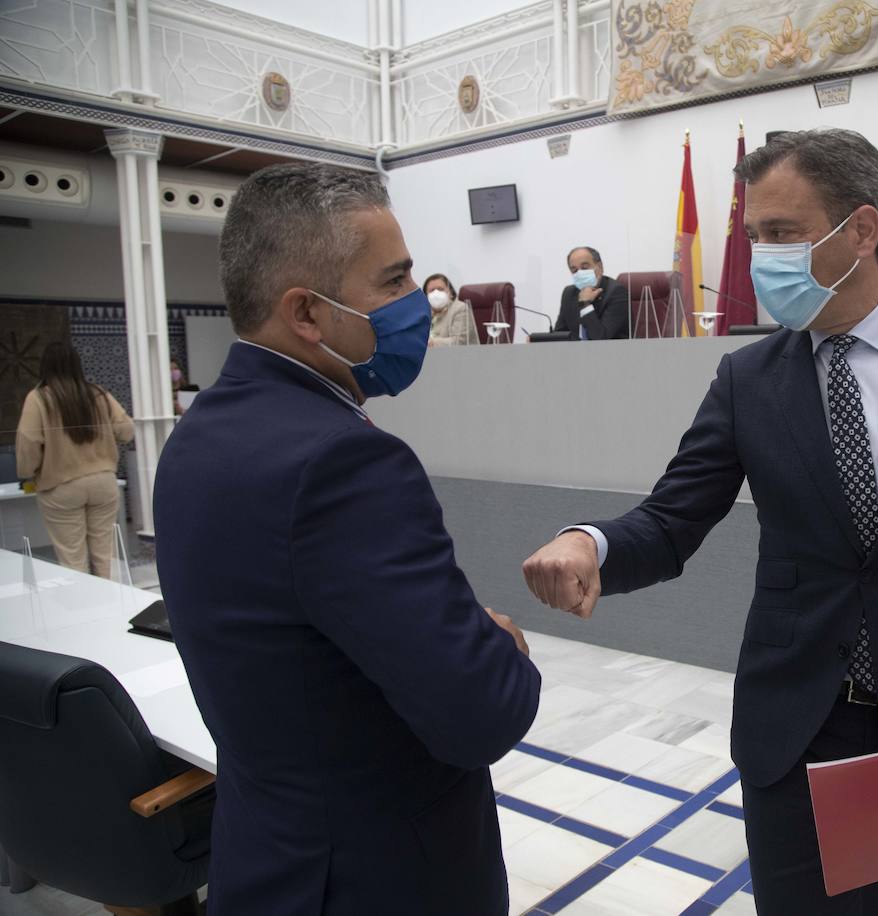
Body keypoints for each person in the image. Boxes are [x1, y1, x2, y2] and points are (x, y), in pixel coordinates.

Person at [523, 129, 878, 915]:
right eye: (754, 238)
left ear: (862, 231)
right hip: (790, 723)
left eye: (781, 233)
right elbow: (673, 520)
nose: (760, 259)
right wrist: (592, 543)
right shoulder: (748, 379)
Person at [153, 163, 540, 916]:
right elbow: (481, 711)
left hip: (268, 861)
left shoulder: (199, 434)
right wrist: (501, 644)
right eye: (393, 283)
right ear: (307, 312)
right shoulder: (344, 461)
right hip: (378, 877)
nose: (417, 303)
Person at [15, 342, 134, 579]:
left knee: (72, 558)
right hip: (103, 482)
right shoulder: (98, 394)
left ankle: (84, 610)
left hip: (61, 487)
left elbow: (28, 444)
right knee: (105, 554)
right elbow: (127, 431)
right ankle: (109, 607)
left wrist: (28, 472)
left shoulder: (38, 398)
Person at [553, 246, 629, 340]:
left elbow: (601, 338)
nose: (580, 273)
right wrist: (539, 341)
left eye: (584, 268)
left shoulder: (616, 292)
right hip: (577, 353)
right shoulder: (569, 293)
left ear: (600, 267)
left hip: (612, 353)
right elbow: (560, 334)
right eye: (574, 270)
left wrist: (585, 304)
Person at [424, 272, 476, 346]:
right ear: (426, 296)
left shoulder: (460, 309)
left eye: (440, 289)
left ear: (450, 292)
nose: (436, 293)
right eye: (432, 290)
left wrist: (431, 343)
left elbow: (459, 342)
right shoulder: (423, 314)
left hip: (460, 356)